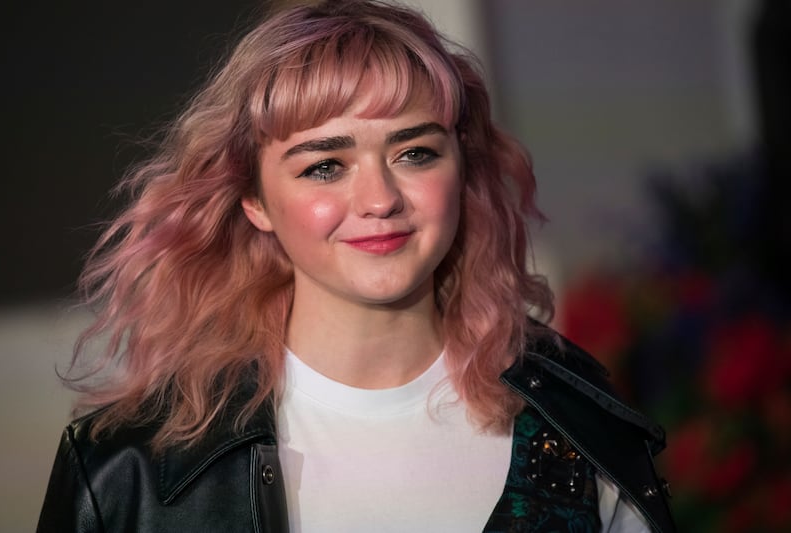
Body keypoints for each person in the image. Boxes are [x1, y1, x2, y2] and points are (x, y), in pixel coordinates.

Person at [37, 1, 675, 531]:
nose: (380, 200)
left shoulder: (577, 418)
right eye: (324, 166)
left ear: (462, 168)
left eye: (416, 153)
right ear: (254, 200)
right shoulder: (128, 471)